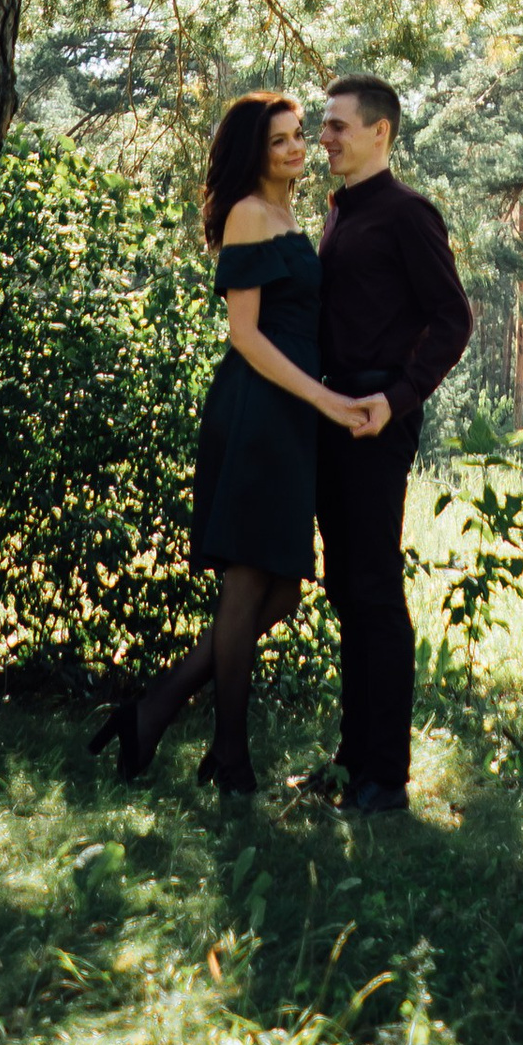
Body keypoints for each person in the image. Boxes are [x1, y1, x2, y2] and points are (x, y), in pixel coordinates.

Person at [89, 91, 388, 794]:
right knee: (251, 580)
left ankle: (154, 708)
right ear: (253, 152)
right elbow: (246, 336)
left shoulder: (291, 215)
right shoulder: (250, 214)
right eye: (278, 140)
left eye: (297, 135)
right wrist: (325, 399)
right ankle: (230, 754)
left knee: (280, 591)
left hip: (290, 415)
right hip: (259, 409)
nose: (295, 148)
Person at [312, 75, 474, 816]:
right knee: (346, 585)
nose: (325, 138)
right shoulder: (341, 212)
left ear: (380, 132)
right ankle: (354, 760)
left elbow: (453, 318)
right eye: (324, 125)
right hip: (335, 410)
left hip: (379, 416)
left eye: (339, 126)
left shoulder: (408, 213)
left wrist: (397, 398)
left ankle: (387, 778)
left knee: (374, 586)